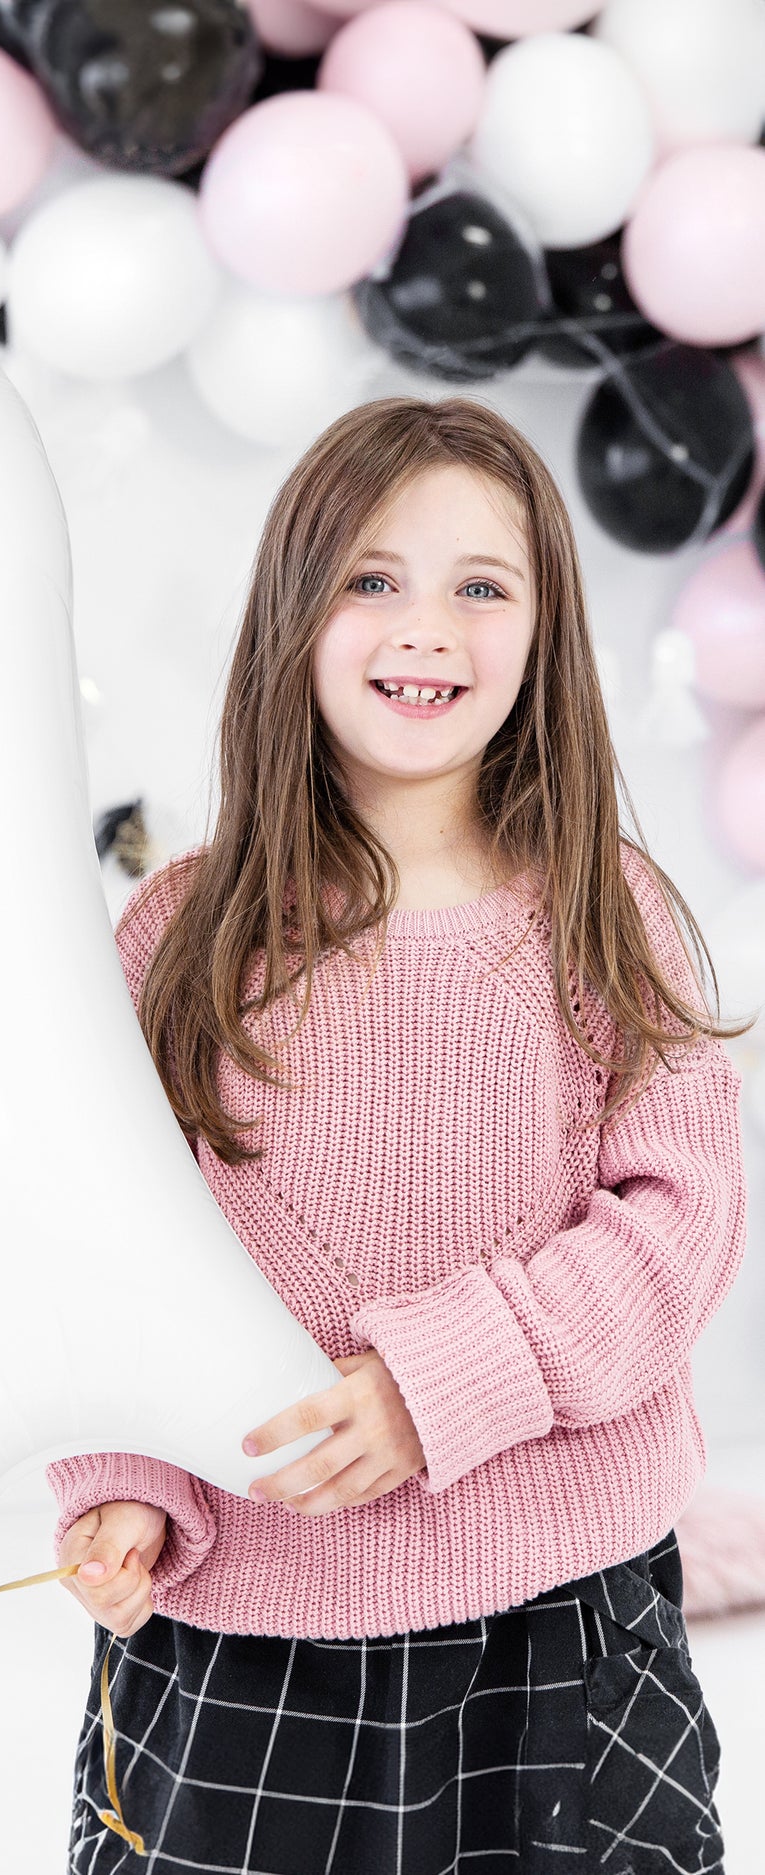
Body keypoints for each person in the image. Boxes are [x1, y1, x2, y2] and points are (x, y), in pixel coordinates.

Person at [48, 394, 751, 1873]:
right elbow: (99, 1251)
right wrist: (123, 1485)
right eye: (373, 578)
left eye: (480, 587)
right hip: (252, 1638)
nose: (425, 627)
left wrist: (443, 1385)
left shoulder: (607, 913)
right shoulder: (176, 939)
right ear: (293, 616)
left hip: (560, 1619)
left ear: (543, 637)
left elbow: (674, 1231)